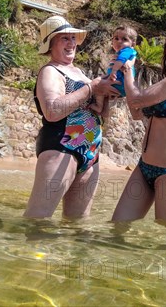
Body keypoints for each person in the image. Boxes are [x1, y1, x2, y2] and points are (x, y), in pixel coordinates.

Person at [24, 15, 119, 219]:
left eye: (73, 38)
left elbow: (101, 117)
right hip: (61, 146)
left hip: (90, 152)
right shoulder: (51, 71)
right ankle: (24, 252)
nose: (71, 43)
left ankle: (63, 253)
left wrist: (107, 98)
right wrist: (92, 87)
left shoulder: (80, 73)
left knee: (77, 226)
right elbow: (52, 111)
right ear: (51, 44)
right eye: (64, 38)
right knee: (37, 219)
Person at [112, 26, 166, 226]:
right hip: (144, 169)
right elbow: (136, 113)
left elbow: (136, 99)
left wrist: (127, 71)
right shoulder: (165, 81)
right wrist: (129, 76)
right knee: (117, 227)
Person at [90, 25, 138, 114]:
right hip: (121, 85)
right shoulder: (128, 52)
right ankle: (102, 108)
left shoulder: (126, 51)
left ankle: (98, 106)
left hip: (119, 83)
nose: (119, 41)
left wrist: (114, 70)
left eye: (124, 39)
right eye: (116, 38)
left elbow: (121, 60)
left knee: (97, 86)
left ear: (133, 44)